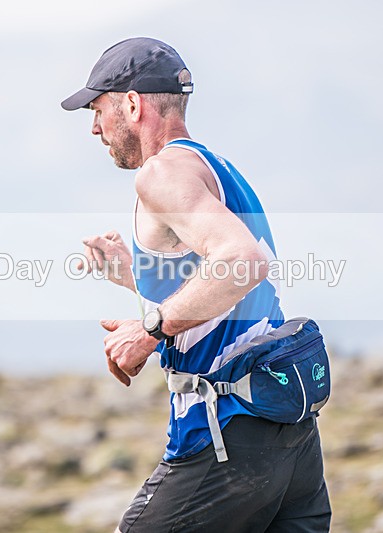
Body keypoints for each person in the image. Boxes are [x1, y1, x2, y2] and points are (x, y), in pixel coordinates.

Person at [62, 38, 331, 532]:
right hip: (289, 439)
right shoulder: (215, 167)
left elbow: (241, 263)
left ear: (132, 103)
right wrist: (133, 274)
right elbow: (228, 286)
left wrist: (149, 332)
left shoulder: (161, 173)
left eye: (98, 108)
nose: (94, 126)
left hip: (226, 433)